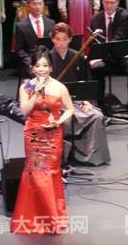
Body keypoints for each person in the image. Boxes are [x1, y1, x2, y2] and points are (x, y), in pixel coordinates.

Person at [11, 47, 75, 234]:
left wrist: (59, 122)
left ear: (51, 68)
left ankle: (52, 218)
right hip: (33, 135)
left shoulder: (59, 87)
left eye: (45, 65)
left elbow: (70, 109)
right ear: (32, 68)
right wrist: (35, 95)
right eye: (38, 65)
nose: (41, 69)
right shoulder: (26, 87)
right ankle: (34, 218)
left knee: (50, 172)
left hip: (53, 136)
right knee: (35, 174)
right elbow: (24, 111)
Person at [49, 23, 111, 166]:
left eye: (65, 39)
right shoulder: (47, 58)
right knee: (67, 120)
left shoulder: (77, 56)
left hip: (77, 99)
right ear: (52, 39)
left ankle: (92, 157)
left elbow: (86, 80)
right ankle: (64, 155)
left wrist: (87, 101)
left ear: (70, 39)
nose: (61, 43)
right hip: (56, 102)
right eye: (57, 39)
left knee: (97, 116)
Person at [90, 0, 128, 117]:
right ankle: (100, 103)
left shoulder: (125, 16)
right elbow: (94, 42)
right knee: (96, 67)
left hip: (122, 54)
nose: (109, 6)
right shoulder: (95, 19)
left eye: (112, 3)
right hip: (103, 55)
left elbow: (119, 37)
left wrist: (105, 47)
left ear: (117, 2)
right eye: (106, 2)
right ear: (102, 2)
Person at [15, 0, 55, 78]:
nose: (38, 7)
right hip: (31, 61)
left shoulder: (51, 23)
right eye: (34, 4)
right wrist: (31, 61)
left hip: (48, 60)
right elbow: (19, 50)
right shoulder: (21, 26)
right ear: (28, 5)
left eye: (40, 4)